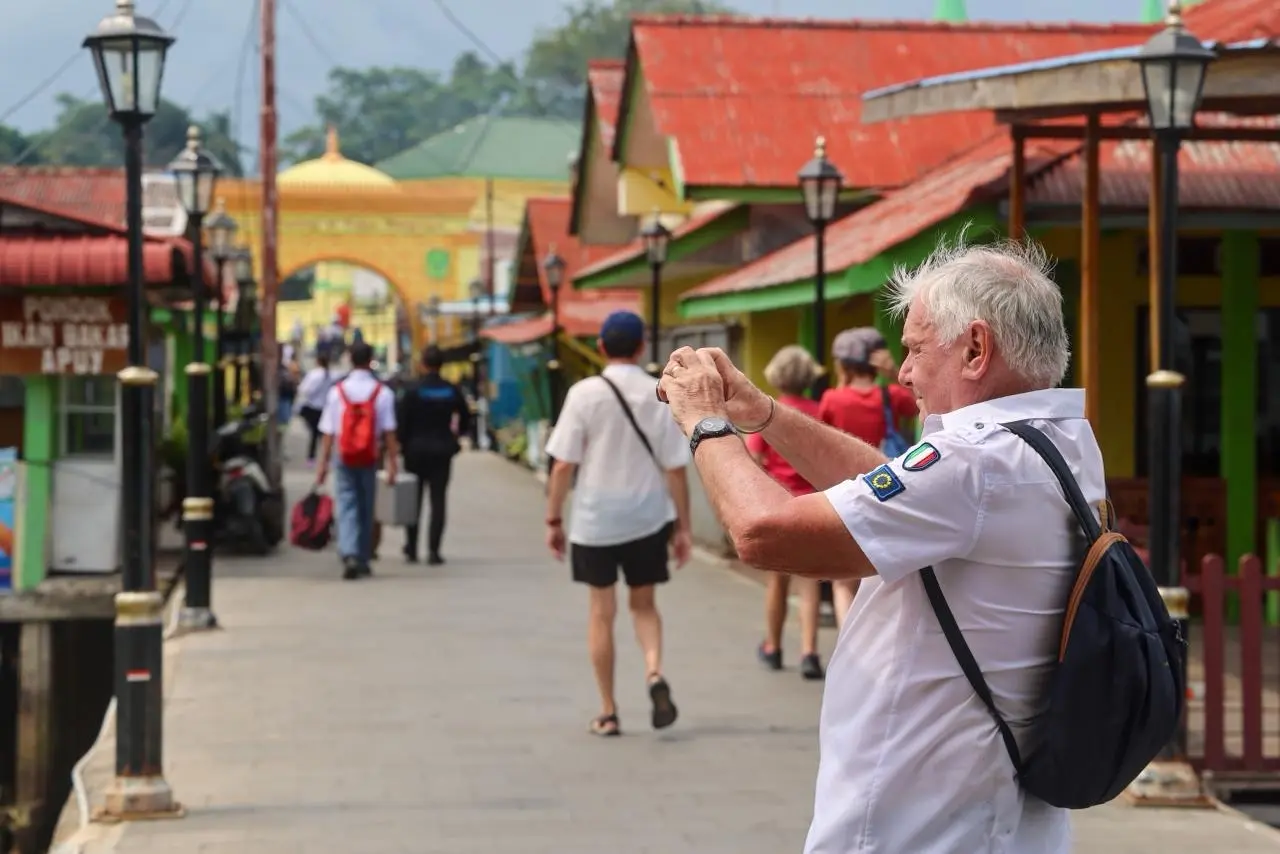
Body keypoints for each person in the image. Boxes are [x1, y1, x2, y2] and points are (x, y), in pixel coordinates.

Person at [657, 239, 1090, 853]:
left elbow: (764, 532)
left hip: (922, 826)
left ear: (975, 348)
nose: (904, 371)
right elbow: (883, 483)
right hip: (992, 815)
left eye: (916, 348)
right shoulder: (1054, 441)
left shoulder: (975, 464)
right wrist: (763, 414)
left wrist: (706, 422)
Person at [544, 311, 693, 737]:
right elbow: (675, 468)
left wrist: (553, 518)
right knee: (643, 605)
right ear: (642, 347)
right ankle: (653, 671)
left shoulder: (584, 394)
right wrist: (682, 527)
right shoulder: (658, 394)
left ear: (601, 347)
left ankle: (608, 711)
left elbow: (562, 466)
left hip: (596, 520)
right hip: (647, 516)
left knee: (601, 612)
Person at [818, 326, 918, 626]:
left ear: (843, 364)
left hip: (844, 494)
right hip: (887, 491)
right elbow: (919, 405)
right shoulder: (892, 395)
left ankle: (848, 638)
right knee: (881, 575)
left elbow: (822, 441)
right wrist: (893, 373)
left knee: (843, 582)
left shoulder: (832, 399)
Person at [745, 345, 825, 680]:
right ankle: (809, 652)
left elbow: (753, 460)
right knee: (809, 582)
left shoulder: (768, 412)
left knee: (777, 581)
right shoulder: (819, 411)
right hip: (813, 505)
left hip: (779, 505)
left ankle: (774, 647)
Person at [315, 342, 399, 580]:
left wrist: (323, 464)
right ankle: (363, 557)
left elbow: (329, 432)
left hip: (344, 455)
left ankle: (349, 552)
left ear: (350, 360)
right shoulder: (382, 393)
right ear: (371, 360)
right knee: (366, 506)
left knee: (346, 504)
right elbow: (389, 432)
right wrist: (393, 463)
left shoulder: (337, 392)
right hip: (370, 455)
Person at [397, 345, 472, 565]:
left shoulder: (412, 390)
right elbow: (466, 416)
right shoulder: (450, 390)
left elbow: (402, 420)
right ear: (442, 365)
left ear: (422, 364)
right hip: (442, 450)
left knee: (414, 500)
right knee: (438, 500)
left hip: (415, 450)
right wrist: (456, 438)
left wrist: (402, 444)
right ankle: (434, 551)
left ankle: (412, 548)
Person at [297, 352, 334, 464]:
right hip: (324, 407)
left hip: (313, 406)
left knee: (314, 434)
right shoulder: (329, 375)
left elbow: (304, 389)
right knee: (323, 433)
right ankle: (326, 456)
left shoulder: (314, 374)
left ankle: (311, 457)